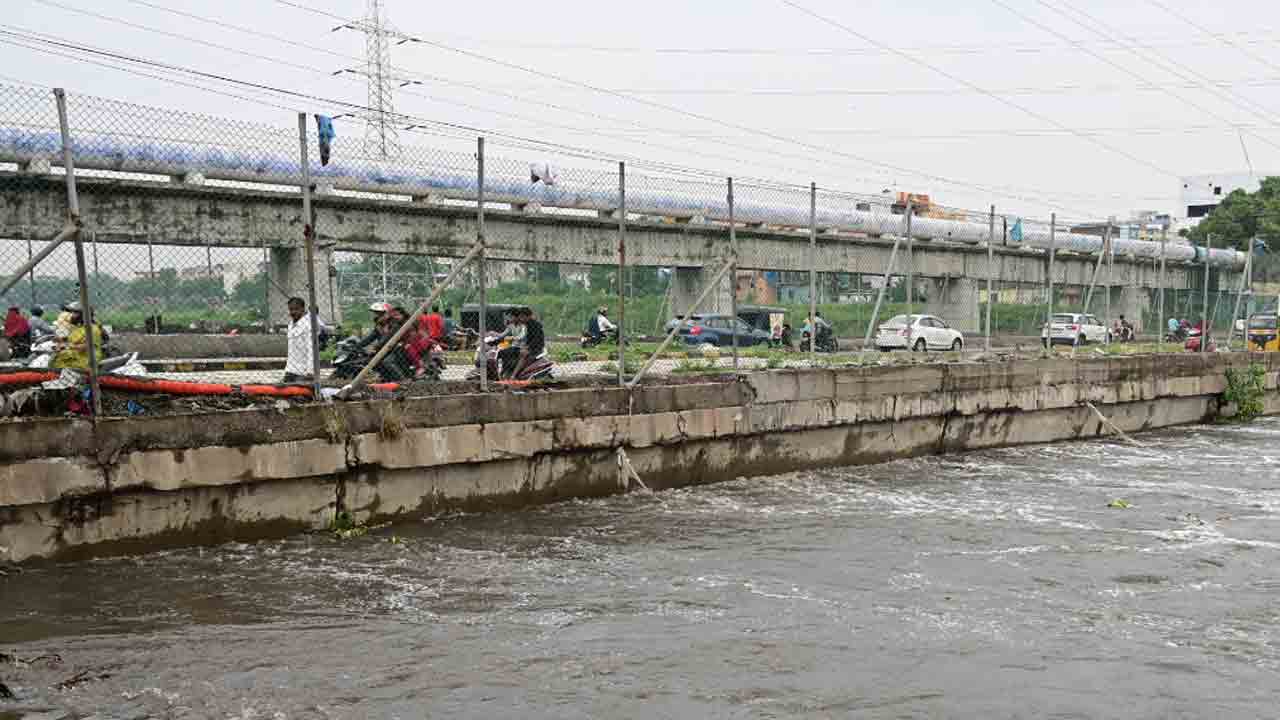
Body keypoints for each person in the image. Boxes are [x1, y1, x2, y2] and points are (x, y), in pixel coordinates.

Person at [50, 302, 104, 371]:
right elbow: (72, 339)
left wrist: (66, 346)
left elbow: (86, 346)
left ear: (83, 315)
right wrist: (61, 339)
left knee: (57, 361)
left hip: (85, 359)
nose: (72, 315)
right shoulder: (78, 328)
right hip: (76, 356)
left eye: (75, 313)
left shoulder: (92, 329)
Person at [283, 297, 318, 383]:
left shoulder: (308, 325)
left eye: (296, 309)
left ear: (302, 309)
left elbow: (311, 349)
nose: (293, 312)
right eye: (291, 309)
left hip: (303, 372)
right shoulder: (290, 325)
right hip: (290, 370)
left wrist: (310, 371)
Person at [510, 306, 546, 379]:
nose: (521, 318)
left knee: (523, 355)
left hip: (536, 347)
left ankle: (513, 375)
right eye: (520, 317)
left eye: (522, 317)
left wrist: (527, 348)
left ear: (528, 316)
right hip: (530, 346)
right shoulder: (527, 324)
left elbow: (536, 340)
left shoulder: (535, 325)